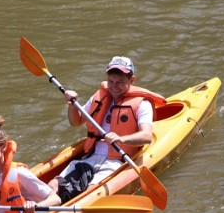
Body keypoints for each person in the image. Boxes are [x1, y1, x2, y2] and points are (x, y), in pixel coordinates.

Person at [48, 56, 167, 203]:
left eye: (120, 83)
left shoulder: (142, 104)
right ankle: (40, 212)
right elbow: (76, 121)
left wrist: (121, 139)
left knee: (89, 193)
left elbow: (146, 136)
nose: (114, 87)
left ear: (132, 80)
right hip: (89, 158)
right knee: (53, 185)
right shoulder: (100, 97)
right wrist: (72, 105)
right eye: (111, 81)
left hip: (116, 162)